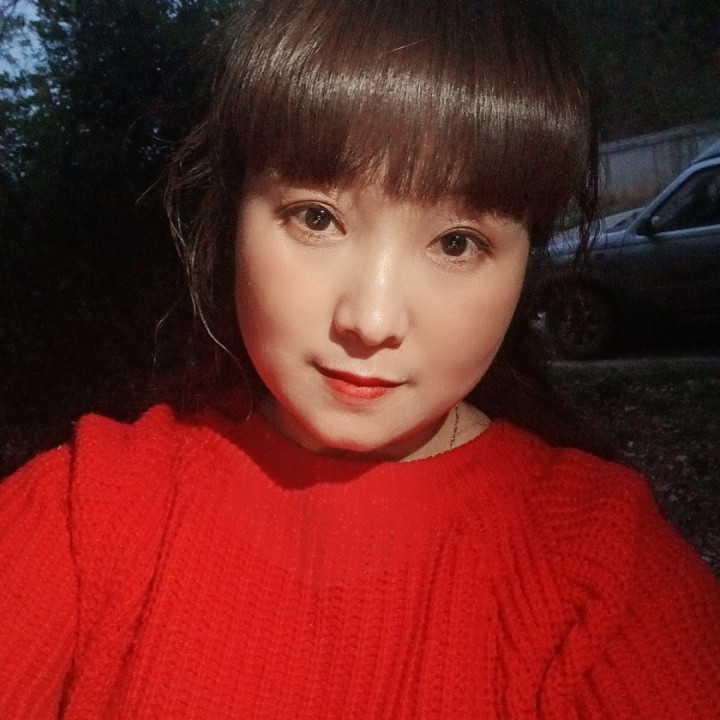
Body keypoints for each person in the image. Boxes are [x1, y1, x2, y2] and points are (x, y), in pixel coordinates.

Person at [1, 0, 718, 717]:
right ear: (233, 214)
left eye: (457, 242)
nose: (371, 323)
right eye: (317, 218)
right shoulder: (86, 516)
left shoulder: (605, 574)